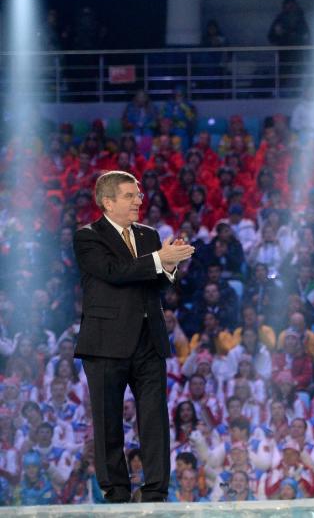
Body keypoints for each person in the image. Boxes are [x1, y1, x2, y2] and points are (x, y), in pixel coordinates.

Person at [73, 171, 195, 503]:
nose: (139, 200)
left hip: (148, 339)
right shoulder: (88, 237)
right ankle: (116, 493)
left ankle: (155, 491)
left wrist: (169, 267)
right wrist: (159, 259)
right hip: (105, 343)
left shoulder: (149, 234)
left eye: (139, 195)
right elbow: (114, 273)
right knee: (107, 421)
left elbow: (153, 284)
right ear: (107, 202)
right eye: (130, 196)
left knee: (155, 419)